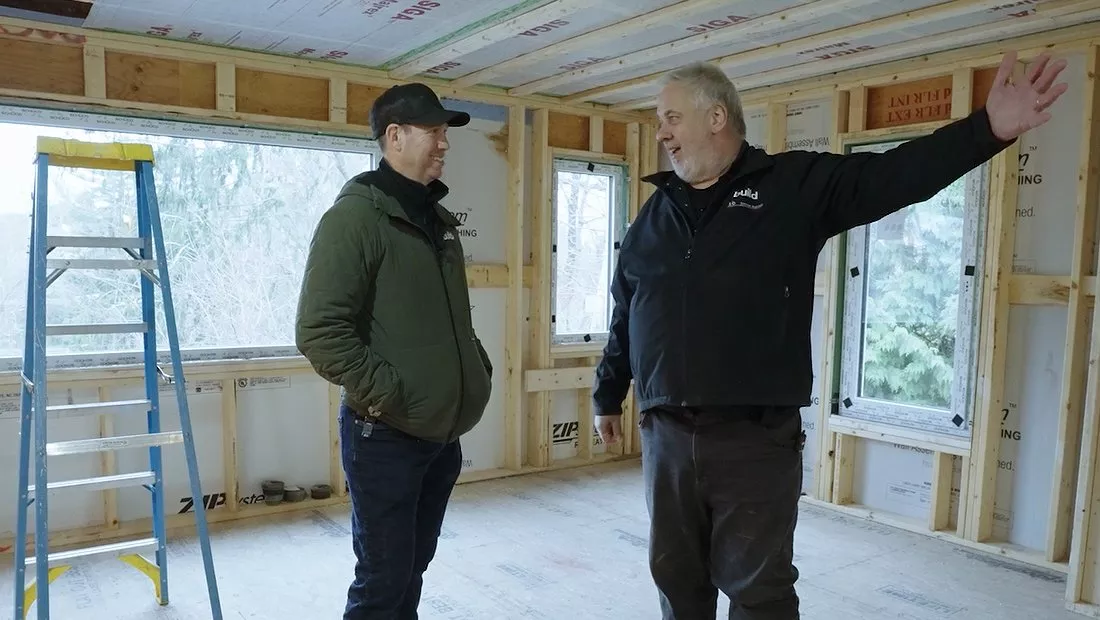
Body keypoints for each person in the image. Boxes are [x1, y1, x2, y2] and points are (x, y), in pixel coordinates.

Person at [591, 50, 1068, 620]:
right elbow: (628, 309)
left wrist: (985, 129)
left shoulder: (790, 186)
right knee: (676, 580)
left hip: (752, 440)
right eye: (659, 120)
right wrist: (607, 392)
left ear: (716, 117)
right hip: (666, 436)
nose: (661, 132)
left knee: (758, 591)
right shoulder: (655, 214)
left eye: (671, 117)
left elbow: (891, 176)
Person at [295, 82, 494, 620]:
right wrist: (391, 394)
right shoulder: (355, 219)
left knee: (413, 567)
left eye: (444, 132)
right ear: (395, 136)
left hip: (441, 437)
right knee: (383, 579)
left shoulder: (438, 222)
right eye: (433, 131)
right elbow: (319, 331)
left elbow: (453, 321)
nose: (444, 143)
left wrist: (474, 369)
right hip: (384, 434)